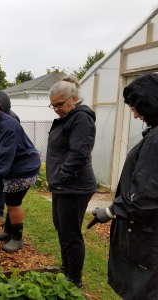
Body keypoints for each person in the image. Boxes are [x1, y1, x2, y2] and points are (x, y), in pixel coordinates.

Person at [88, 73, 158, 299]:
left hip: (150, 236)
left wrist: (110, 211)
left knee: (144, 289)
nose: (136, 116)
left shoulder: (156, 140)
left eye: (138, 109)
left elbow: (146, 195)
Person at [46, 75, 97, 287]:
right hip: (62, 185)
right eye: (53, 105)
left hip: (74, 186)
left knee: (71, 233)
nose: (56, 109)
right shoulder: (69, 117)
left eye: (60, 104)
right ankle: (67, 268)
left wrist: (61, 176)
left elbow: (79, 153)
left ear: (73, 99)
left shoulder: (81, 118)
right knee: (61, 228)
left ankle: (74, 279)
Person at [0, 93, 40, 253]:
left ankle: (17, 239)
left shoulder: (9, 125)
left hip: (24, 168)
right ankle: (8, 232)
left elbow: (4, 155)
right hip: (14, 167)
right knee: (9, 199)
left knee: (13, 203)